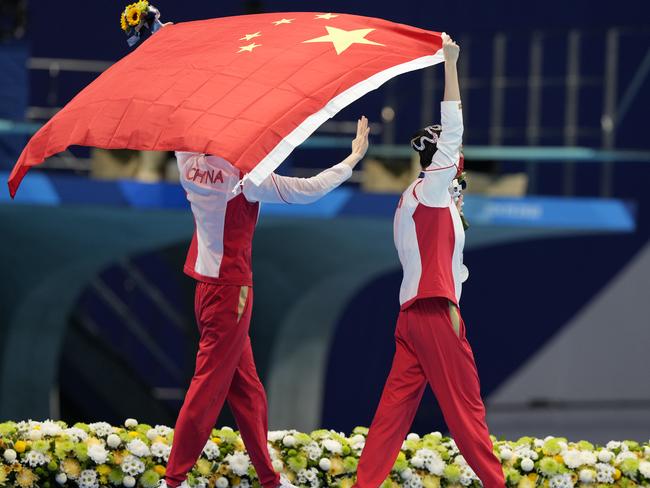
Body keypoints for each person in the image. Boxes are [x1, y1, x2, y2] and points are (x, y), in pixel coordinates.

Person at [161, 117, 370, 488]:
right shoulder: (245, 177)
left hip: (205, 287)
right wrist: (351, 161)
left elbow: (183, 127)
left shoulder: (186, 161)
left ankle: (269, 479)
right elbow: (308, 189)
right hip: (231, 293)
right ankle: (172, 480)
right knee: (208, 387)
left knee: (247, 389)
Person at [352, 34, 505, 488]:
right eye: (455, 156)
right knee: (467, 409)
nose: (460, 161)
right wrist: (450, 63)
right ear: (443, 158)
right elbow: (452, 128)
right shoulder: (434, 190)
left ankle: (365, 484)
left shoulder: (411, 200)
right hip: (438, 314)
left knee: (392, 417)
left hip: (410, 319)